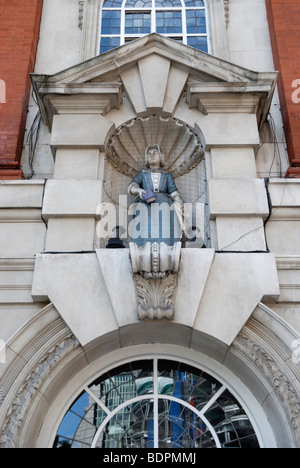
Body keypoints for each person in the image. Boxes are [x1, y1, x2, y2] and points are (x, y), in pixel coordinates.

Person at [128, 144, 185, 246]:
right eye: (149, 154)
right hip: (145, 201)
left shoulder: (166, 174)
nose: (152, 155)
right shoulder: (142, 173)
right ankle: (143, 244)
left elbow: (173, 191)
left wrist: (181, 203)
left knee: (164, 225)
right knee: (145, 225)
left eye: (155, 153)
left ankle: (167, 244)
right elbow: (132, 186)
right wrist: (140, 191)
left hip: (164, 202)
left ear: (161, 157)